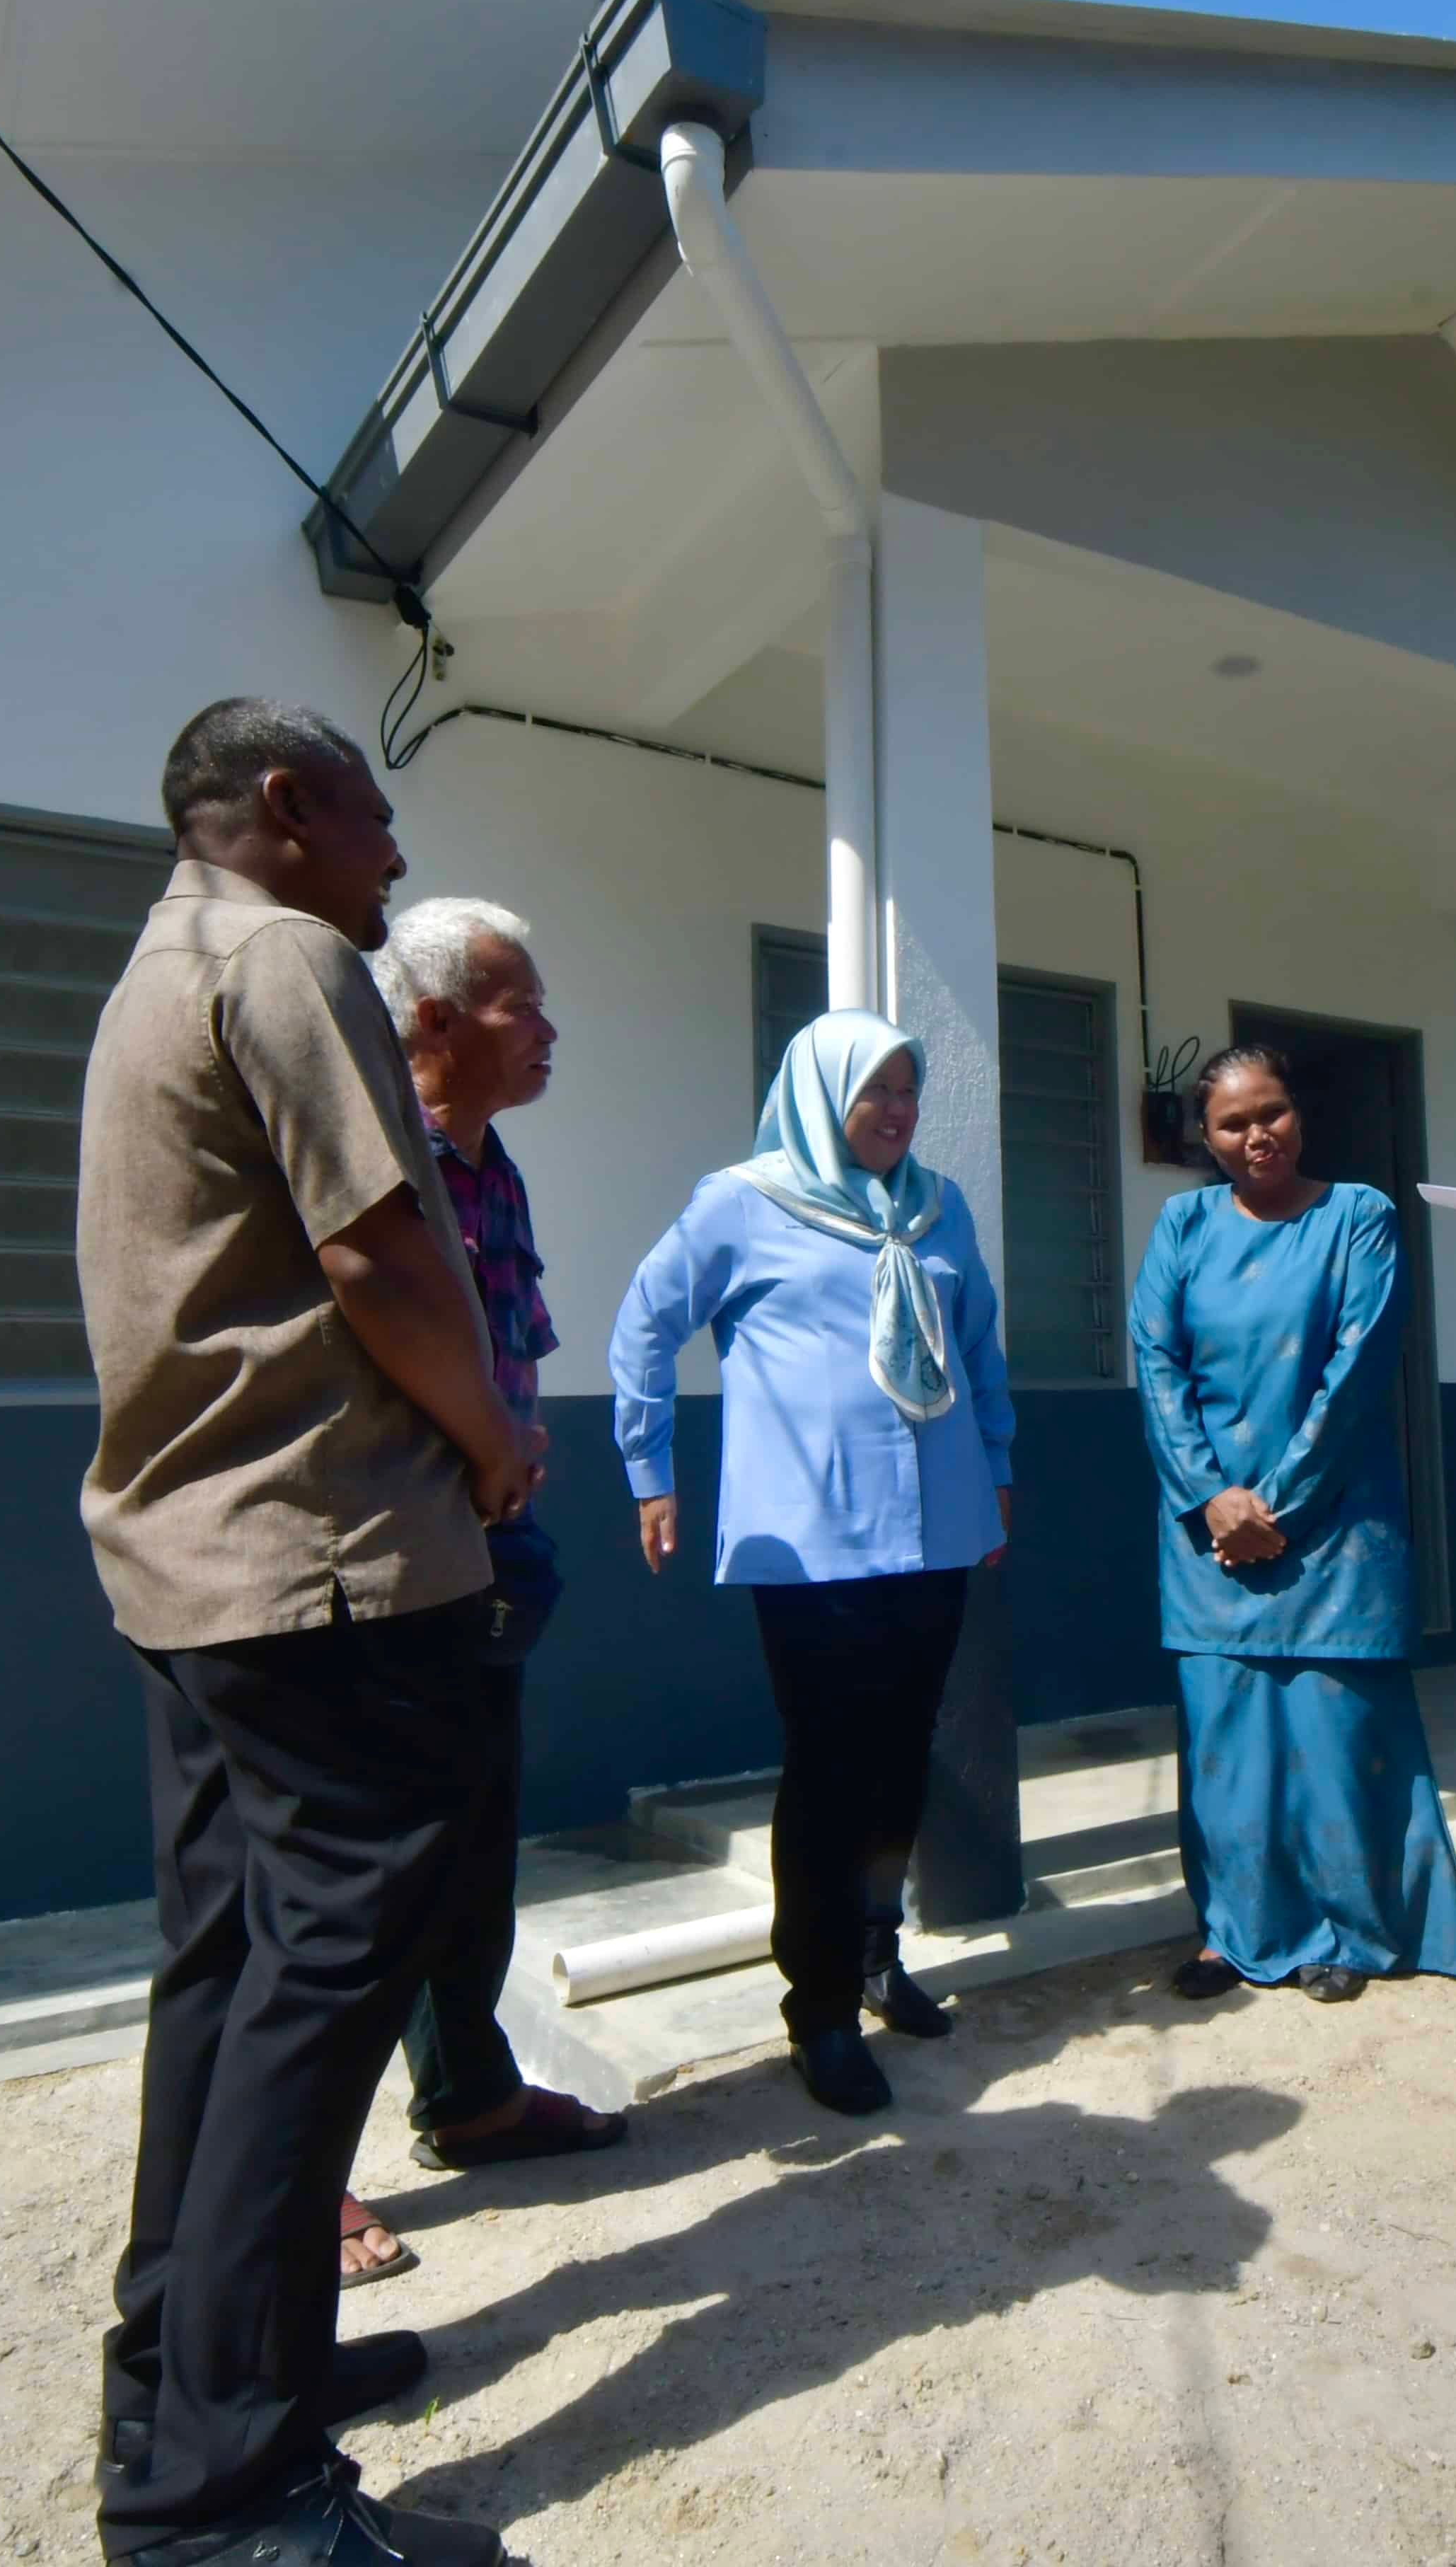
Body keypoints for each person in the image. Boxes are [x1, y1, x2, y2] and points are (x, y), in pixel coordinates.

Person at [76, 700, 522, 2567]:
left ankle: (190, 2373)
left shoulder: (157, 967)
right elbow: (380, 1257)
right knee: (329, 1973)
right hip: (321, 1562)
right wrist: (494, 1437)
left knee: (230, 1968)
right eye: (378, 819)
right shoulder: (285, 955)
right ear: (288, 807)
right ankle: (223, 2493)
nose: (395, 860)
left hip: (197, 1568)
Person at [610, 1011, 1015, 2118]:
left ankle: (879, 1955)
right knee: (833, 1771)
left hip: (935, 1532)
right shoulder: (743, 1201)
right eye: (871, 1091)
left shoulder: (939, 1209)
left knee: (900, 1763)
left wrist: (1000, 1465)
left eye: (907, 1092)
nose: (894, 1112)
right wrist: (651, 1468)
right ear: (816, 1092)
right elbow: (646, 1324)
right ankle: (820, 2007)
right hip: (814, 1546)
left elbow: (978, 1347)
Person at [347, 901, 624, 2265]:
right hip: (388, 1559)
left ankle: (472, 2095)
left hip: (490, 1551)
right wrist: (483, 1439)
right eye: (522, 1002)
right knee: (359, 1884)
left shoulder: (489, 1164)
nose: (549, 1028)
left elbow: (504, 1339)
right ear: (440, 1019)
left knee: (470, 1849)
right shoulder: (370, 1155)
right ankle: (301, 2179)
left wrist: (518, 1437)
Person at [1131, 1046, 1456, 2004]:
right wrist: (1213, 1498)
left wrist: (1274, 1505)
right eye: (1233, 1124)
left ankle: (1354, 1932)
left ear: (1300, 1115)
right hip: (1207, 1537)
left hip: (1334, 1532)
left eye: (1273, 1113)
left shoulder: (1357, 1218)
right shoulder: (1181, 1226)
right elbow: (1158, 1367)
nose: (1258, 1137)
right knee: (1227, 1752)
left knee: (1336, 1744)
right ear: (1204, 1139)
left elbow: (1358, 1369)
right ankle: (1238, 1933)